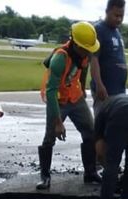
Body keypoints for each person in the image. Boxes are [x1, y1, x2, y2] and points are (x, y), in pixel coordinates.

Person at [37, 21, 102, 190]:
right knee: (49, 138)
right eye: (85, 48)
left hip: (76, 97)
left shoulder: (85, 54)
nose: (88, 51)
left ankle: (90, 172)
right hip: (57, 100)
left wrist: (82, 85)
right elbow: (51, 91)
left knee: (90, 132)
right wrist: (58, 122)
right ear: (75, 43)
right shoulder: (60, 58)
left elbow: (84, 67)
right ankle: (45, 176)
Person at [90, 0, 127, 114]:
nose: (119, 19)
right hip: (105, 90)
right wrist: (99, 85)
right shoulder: (99, 30)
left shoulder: (116, 31)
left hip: (118, 90)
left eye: (121, 16)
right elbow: (94, 59)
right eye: (116, 15)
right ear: (107, 12)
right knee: (103, 125)